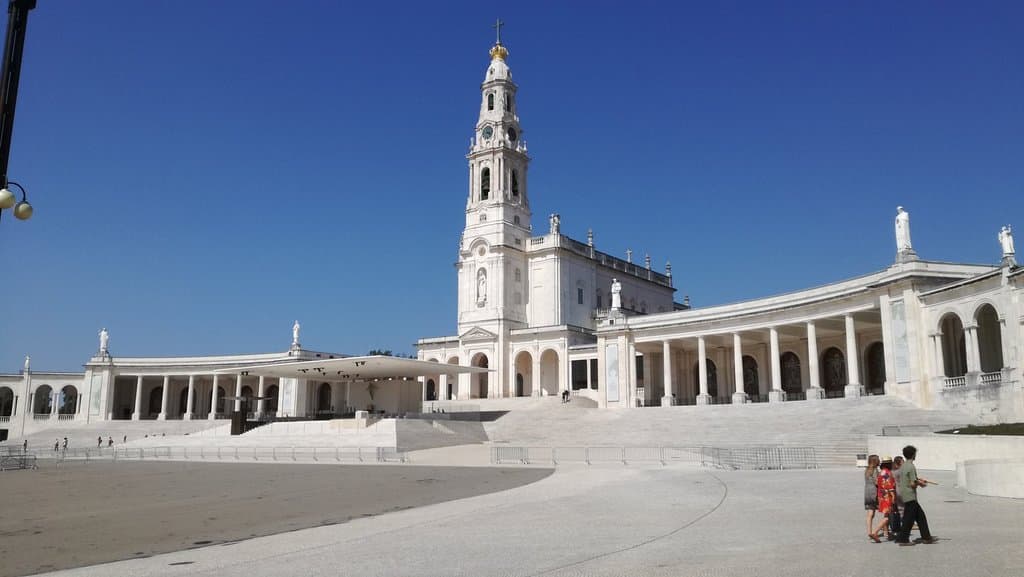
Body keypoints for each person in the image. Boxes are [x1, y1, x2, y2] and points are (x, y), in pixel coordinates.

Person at [895, 445, 937, 546]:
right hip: (910, 495)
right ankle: (903, 539)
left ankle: (926, 537)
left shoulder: (904, 466)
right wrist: (921, 484)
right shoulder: (911, 466)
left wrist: (918, 480)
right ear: (913, 454)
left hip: (905, 493)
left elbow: (910, 480)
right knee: (908, 519)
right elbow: (912, 483)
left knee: (920, 516)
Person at [870, 457, 896, 542]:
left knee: (885, 514)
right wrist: (893, 498)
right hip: (887, 497)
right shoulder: (888, 473)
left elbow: (877, 483)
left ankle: (886, 533)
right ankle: (875, 532)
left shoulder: (881, 472)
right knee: (888, 517)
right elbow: (890, 487)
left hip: (881, 496)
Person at [863, 454, 880, 540]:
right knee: (886, 512)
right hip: (874, 493)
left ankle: (869, 532)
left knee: (870, 513)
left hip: (867, 493)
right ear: (875, 461)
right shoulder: (875, 470)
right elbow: (877, 482)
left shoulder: (867, 470)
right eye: (878, 459)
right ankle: (885, 532)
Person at [890, 455, 905, 539]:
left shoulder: (892, 471)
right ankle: (904, 525)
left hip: (894, 492)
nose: (903, 463)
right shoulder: (899, 471)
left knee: (896, 509)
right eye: (902, 462)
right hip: (900, 492)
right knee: (901, 509)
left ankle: (895, 527)